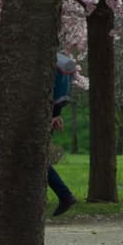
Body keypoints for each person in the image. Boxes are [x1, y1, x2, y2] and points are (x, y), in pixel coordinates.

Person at [47, 50, 80, 218]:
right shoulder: (62, 61)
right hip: (51, 113)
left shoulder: (51, 60)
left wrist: (54, 114)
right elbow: (63, 94)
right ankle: (64, 195)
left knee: (36, 159)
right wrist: (56, 114)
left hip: (44, 114)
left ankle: (64, 195)